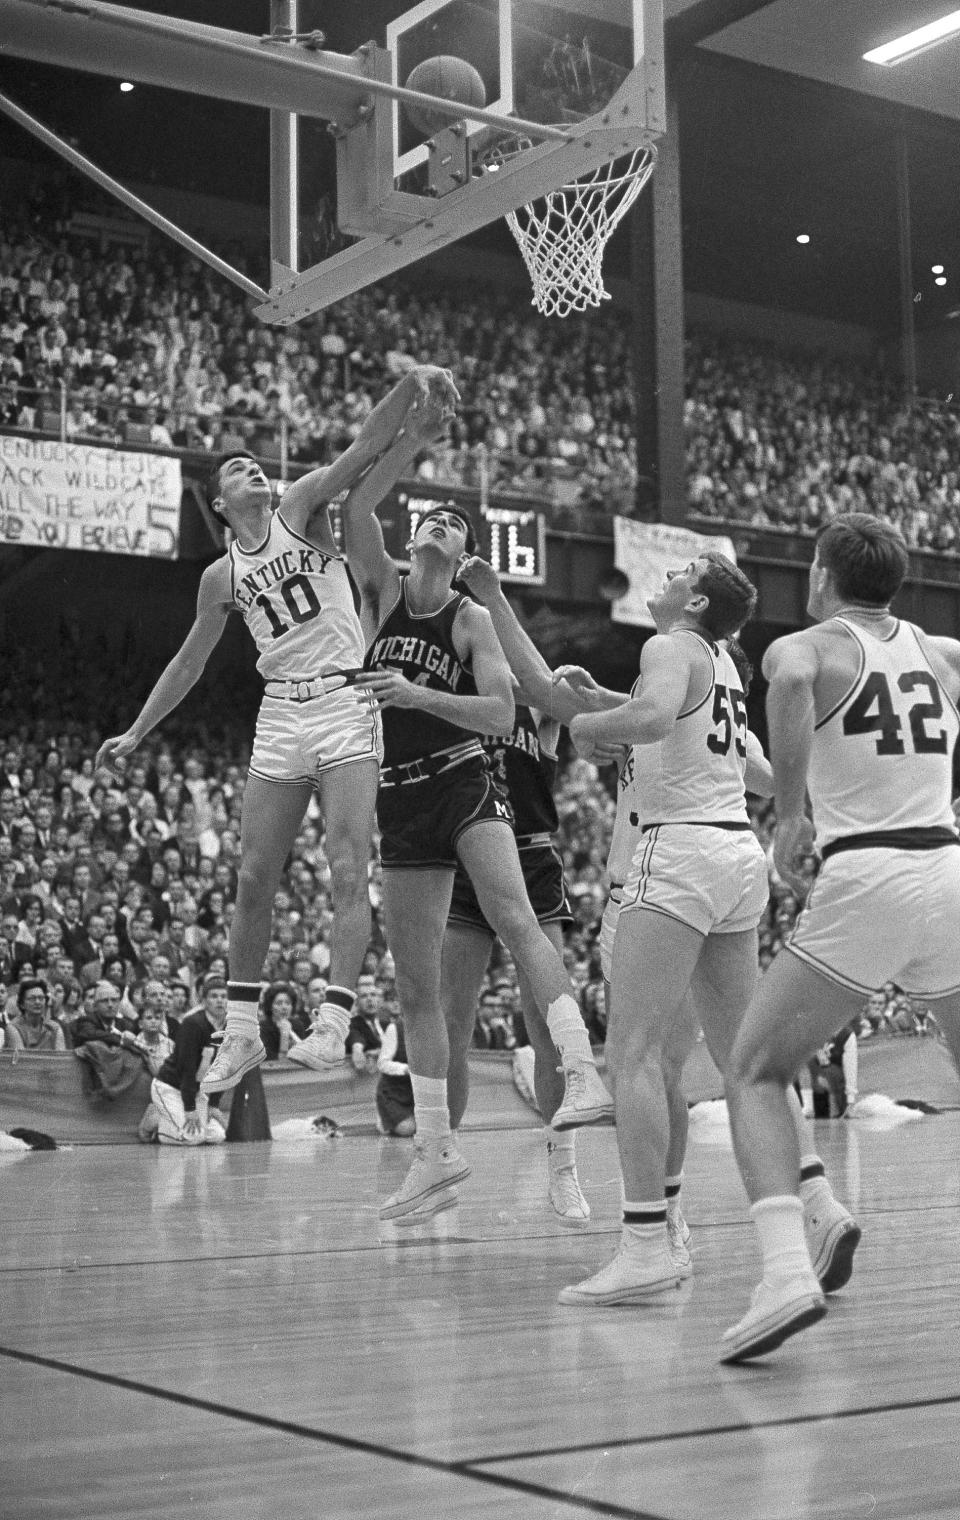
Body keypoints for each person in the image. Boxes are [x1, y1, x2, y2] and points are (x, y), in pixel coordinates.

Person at [96, 363, 459, 1098]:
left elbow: (362, 451)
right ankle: (239, 1031)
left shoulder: (299, 507)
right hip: (281, 712)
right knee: (254, 876)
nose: (252, 471)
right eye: (237, 469)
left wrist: (409, 386)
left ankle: (332, 1018)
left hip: (343, 701)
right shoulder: (220, 577)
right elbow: (189, 663)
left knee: (348, 865)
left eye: (255, 465)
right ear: (220, 503)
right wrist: (137, 730)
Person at [345, 446, 613, 1224]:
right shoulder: (389, 590)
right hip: (412, 803)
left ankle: (568, 1147)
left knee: (532, 989)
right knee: (434, 1003)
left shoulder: (496, 644)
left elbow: (522, 699)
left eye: (456, 524)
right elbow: (357, 509)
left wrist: (488, 604)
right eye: (433, 517)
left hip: (507, 829)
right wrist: (406, 434)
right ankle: (436, 1152)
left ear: (468, 559)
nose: (441, 523)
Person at [721, 513, 960, 1362]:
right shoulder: (941, 652)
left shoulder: (812, 644)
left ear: (821, 573)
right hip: (949, 871)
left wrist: (789, 814)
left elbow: (785, 674)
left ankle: (786, 1271)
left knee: (753, 1068)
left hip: (871, 876)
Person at [556, 553, 794, 1306]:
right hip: (733, 853)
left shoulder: (669, 649)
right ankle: (809, 1208)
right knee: (738, 1062)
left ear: (692, 601)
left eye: (680, 570)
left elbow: (652, 718)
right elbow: (750, 765)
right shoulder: (719, 662)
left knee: (633, 1059)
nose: (663, 573)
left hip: (674, 859)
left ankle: (645, 1241)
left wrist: (583, 724)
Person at [150, 973, 230, 1145]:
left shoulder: (228, 1028)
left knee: (217, 1136)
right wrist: (189, 1108)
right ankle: (162, 1131)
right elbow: (185, 1068)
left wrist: (213, 1104)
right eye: (214, 996)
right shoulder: (192, 1024)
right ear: (204, 1000)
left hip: (197, 1090)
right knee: (194, 1138)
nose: (219, 1001)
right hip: (169, 1086)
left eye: (224, 997)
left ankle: (170, 1120)